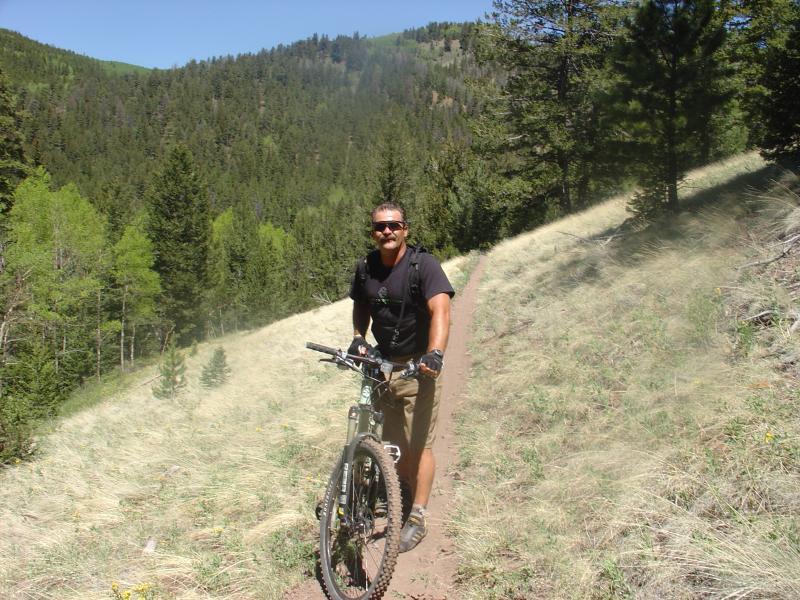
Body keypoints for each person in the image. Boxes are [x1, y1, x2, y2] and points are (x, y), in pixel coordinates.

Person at [348, 202, 454, 553]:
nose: (387, 232)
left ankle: (418, 515)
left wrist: (434, 353)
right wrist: (359, 337)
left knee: (418, 444)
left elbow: (440, 308)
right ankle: (399, 490)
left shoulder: (423, 265)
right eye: (380, 227)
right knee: (392, 441)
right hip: (383, 367)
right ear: (373, 231)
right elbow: (360, 303)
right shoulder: (366, 267)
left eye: (394, 225)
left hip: (416, 368)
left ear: (405, 228)